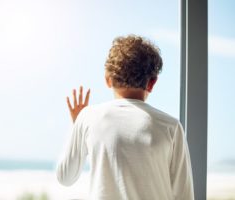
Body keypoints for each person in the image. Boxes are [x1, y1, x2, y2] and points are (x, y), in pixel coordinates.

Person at [56, 35, 194, 200]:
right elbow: (184, 195)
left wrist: (77, 123)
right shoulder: (171, 126)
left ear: (108, 80)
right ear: (152, 83)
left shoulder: (88, 117)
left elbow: (65, 177)